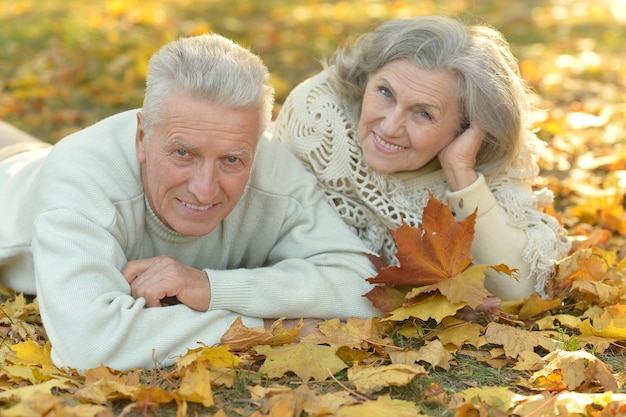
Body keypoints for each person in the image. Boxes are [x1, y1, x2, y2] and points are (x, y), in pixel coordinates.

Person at [0, 34, 381, 372]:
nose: (204, 189)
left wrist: (211, 287)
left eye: (232, 160)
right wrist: (268, 328)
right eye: (183, 153)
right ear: (141, 137)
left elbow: (365, 285)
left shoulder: (271, 163)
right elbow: (90, 344)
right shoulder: (79, 176)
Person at [272, 15, 571, 301]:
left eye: (423, 113)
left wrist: (461, 176)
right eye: (385, 92)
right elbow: (264, 234)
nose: (389, 127)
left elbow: (520, 290)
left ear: (466, 128)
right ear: (367, 79)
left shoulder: (493, 168)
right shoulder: (318, 116)